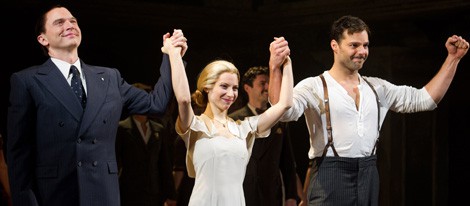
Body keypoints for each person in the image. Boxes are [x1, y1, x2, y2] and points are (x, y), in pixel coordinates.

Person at [268, 15, 468, 205]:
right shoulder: (314, 86)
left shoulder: (377, 88)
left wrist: (453, 59)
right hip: (329, 176)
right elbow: (283, 111)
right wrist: (275, 68)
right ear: (334, 46)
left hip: (368, 174)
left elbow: (425, 100)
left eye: (365, 45)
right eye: (354, 45)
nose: (362, 51)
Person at [6, 4, 187, 206]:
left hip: (103, 194)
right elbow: (18, 154)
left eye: (73, 21)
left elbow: (157, 103)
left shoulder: (109, 77)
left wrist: (172, 57)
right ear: (43, 39)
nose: (69, 25)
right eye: (59, 22)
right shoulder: (27, 81)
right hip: (55, 196)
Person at [161, 35, 293, 206]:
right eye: (224, 86)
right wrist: (174, 54)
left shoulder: (244, 129)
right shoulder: (195, 125)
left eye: (235, 88)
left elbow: (285, 104)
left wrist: (285, 62)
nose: (231, 94)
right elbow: (184, 99)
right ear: (207, 87)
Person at [228, 66, 299, 206]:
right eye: (262, 83)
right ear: (247, 88)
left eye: (269, 83)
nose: (267, 87)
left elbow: (287, 162)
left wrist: (291, 196)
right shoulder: (233, 120)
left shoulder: (280, 120)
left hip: (272, 193)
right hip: (241, 192)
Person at [116, 83, 177, 206]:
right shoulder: (121, 128)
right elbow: (116, 162)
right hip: (128, 192)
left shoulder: (158, 129)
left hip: (154, 192)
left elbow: (164, 164)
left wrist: (171, 194)